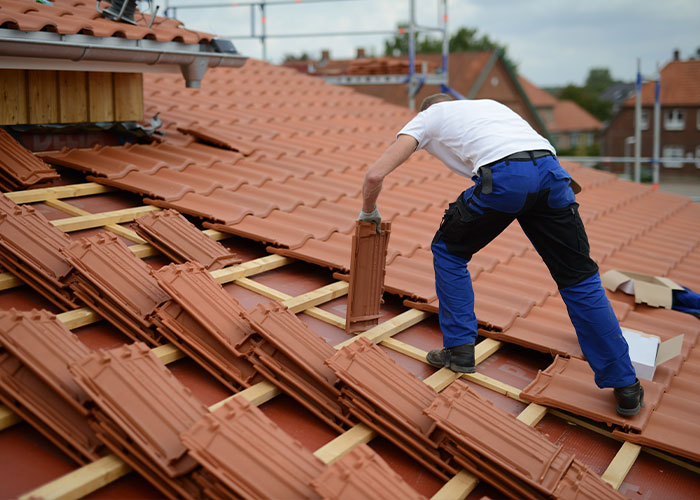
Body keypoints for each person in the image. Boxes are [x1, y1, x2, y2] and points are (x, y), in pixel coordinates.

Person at [359, 94, 644, 417]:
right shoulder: (491, 108)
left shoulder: (429, 117)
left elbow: (375, 175)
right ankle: (627, 386)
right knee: (579, 279)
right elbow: (534, 156)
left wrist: (368, 212)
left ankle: (459, 350)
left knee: (448, 250)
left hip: (508, 178)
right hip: (552, 174)